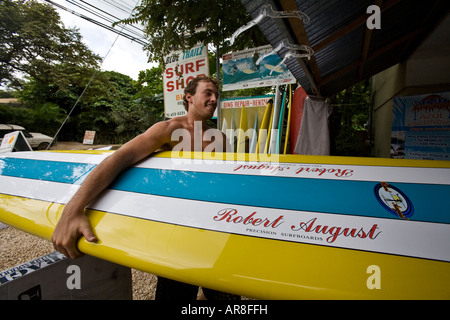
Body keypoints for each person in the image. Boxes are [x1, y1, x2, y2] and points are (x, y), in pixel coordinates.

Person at [51, 75, 239, 300]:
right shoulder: (169, 129)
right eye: (207, 93)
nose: (214, 99)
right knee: (176, 293)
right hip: (179, 232)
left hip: (215, 228)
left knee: (226, 297)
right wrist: (72, 210)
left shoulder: (221, 138)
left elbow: (228, 182)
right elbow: (121, 157)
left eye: (216, 95)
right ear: (188, 97)